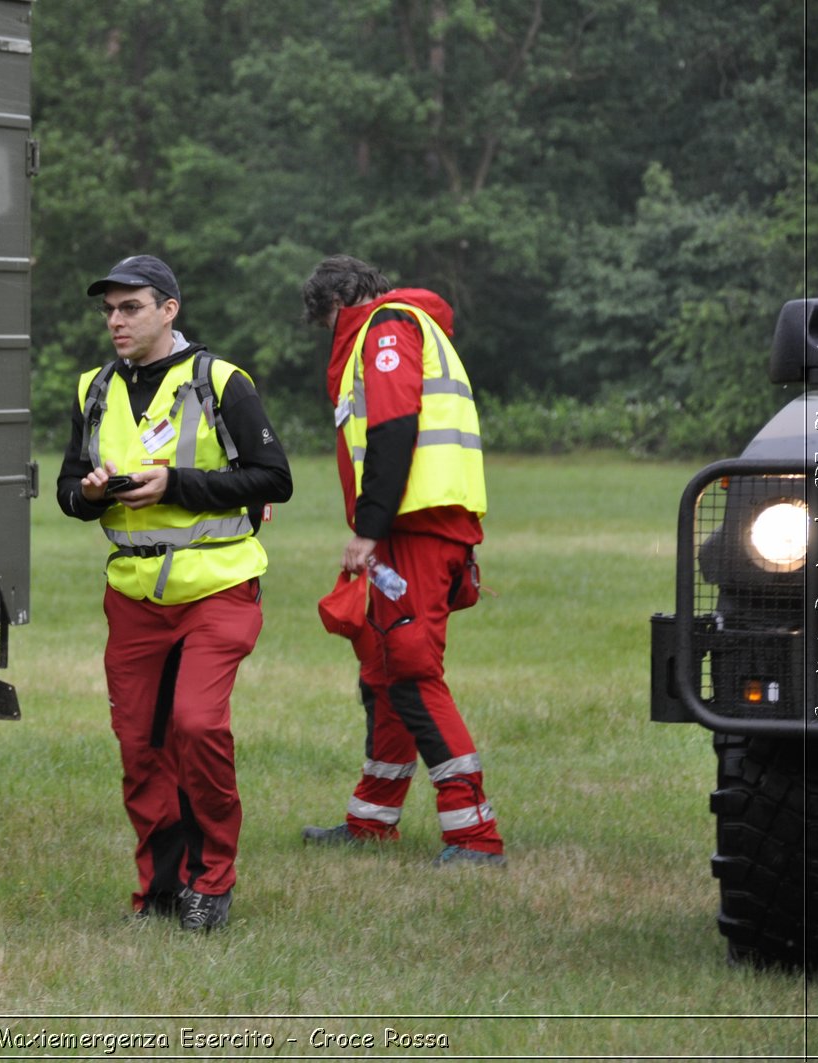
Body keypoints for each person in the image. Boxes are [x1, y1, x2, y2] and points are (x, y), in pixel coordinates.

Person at [57, 254, 293, 930]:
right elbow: (68, 491)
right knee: (140, 745)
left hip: (217, 584)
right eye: (108, 309)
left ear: (169, 309)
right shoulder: (91, 390)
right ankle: (160, 886)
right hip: (132, 595)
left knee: (196, 723)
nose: (115, 321)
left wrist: (179, 485)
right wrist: (91, 491)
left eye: (130, 307)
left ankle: (212, 879)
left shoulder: (222, 382)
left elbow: (273, 478)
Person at [298, 254, 505, 867]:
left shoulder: (385, 330)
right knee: (384, 672)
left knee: (411, 673)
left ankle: (473, 835)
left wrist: (368, 529)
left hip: (414, 528)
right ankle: (371, 820)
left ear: (336, 307)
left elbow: (393, 429)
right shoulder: (410, 326)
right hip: (414, 528)